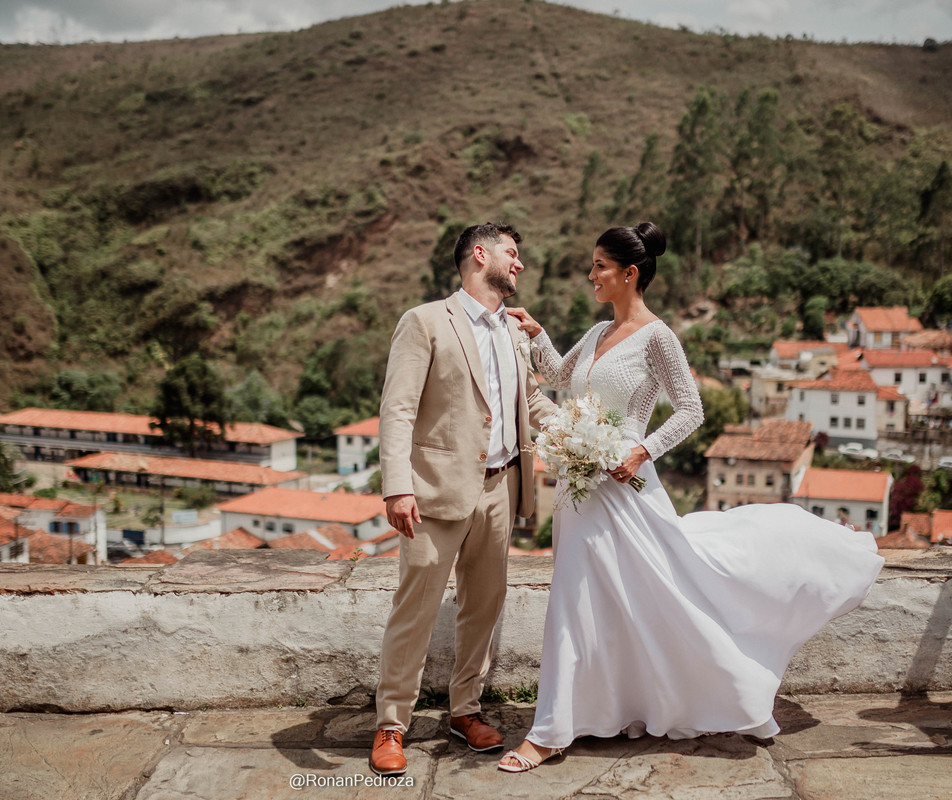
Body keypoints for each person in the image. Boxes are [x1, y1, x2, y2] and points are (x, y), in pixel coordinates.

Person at [497, 222, 884, 773]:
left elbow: (690, 410)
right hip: (579, 488)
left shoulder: (658, 337)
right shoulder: (596, 331)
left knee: (627, 594)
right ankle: (604, 710)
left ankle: (551, 731)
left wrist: (641, 451)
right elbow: (559, 376)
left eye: (600, 266)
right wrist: (536, 333)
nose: (591, 275)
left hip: (626, 485)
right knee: (585, 598)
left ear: (629, 273)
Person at [371, 222, 559, 776]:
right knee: (416, 608)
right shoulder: (425, 321)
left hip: (500, 487)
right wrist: (397, 486)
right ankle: (391, 723)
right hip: (434, 491)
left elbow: (531, 402)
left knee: (484, 605)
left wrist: (583, 434)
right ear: (480, 254)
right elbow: (398, 408)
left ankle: (465, 710)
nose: (519, 264)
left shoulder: (515, 330)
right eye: (511, 253)